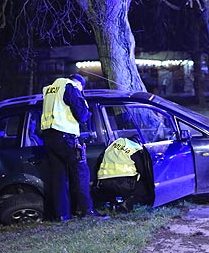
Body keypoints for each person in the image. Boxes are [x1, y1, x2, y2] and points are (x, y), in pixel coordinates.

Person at [41, 74, 106, 221]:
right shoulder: (70, 87)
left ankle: (62, 215)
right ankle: (87, 211)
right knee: (81, 173)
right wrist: (84, 105)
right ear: (79, 84)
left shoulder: (50, 89)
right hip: (66, 137)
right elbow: (82, 115)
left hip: (49, 138)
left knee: (59, 177)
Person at [95, 136, 151, 213]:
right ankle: (126, 203)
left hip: (105, 184)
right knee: (144, 188)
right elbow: (142, 170)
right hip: (125, 184)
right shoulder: (134, 148)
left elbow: (98, 163)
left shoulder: (110, 147)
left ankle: (113, 203)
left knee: (113, 187)